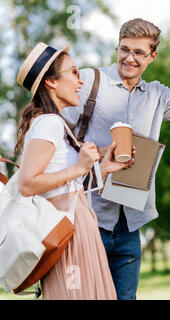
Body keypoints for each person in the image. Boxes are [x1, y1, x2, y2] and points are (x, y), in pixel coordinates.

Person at [62, 16, 170, 300]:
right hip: (87, 214)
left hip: (129, 221)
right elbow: (56, 129)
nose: (129, 58)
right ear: (117, 48)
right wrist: (98, 153)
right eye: (124, 49)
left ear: (152, 56)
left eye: (138, 52)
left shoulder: (156, 95)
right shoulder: (88, 82)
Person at [15, 42, 134, 299]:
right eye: (73, 72)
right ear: (51, 82)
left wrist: (103, 169)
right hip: (66, 231)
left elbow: (62, 185)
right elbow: (28, 184)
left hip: (76, 226)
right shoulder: (48, 123)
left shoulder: (54, 123)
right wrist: (81, 166)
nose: (81, 81)